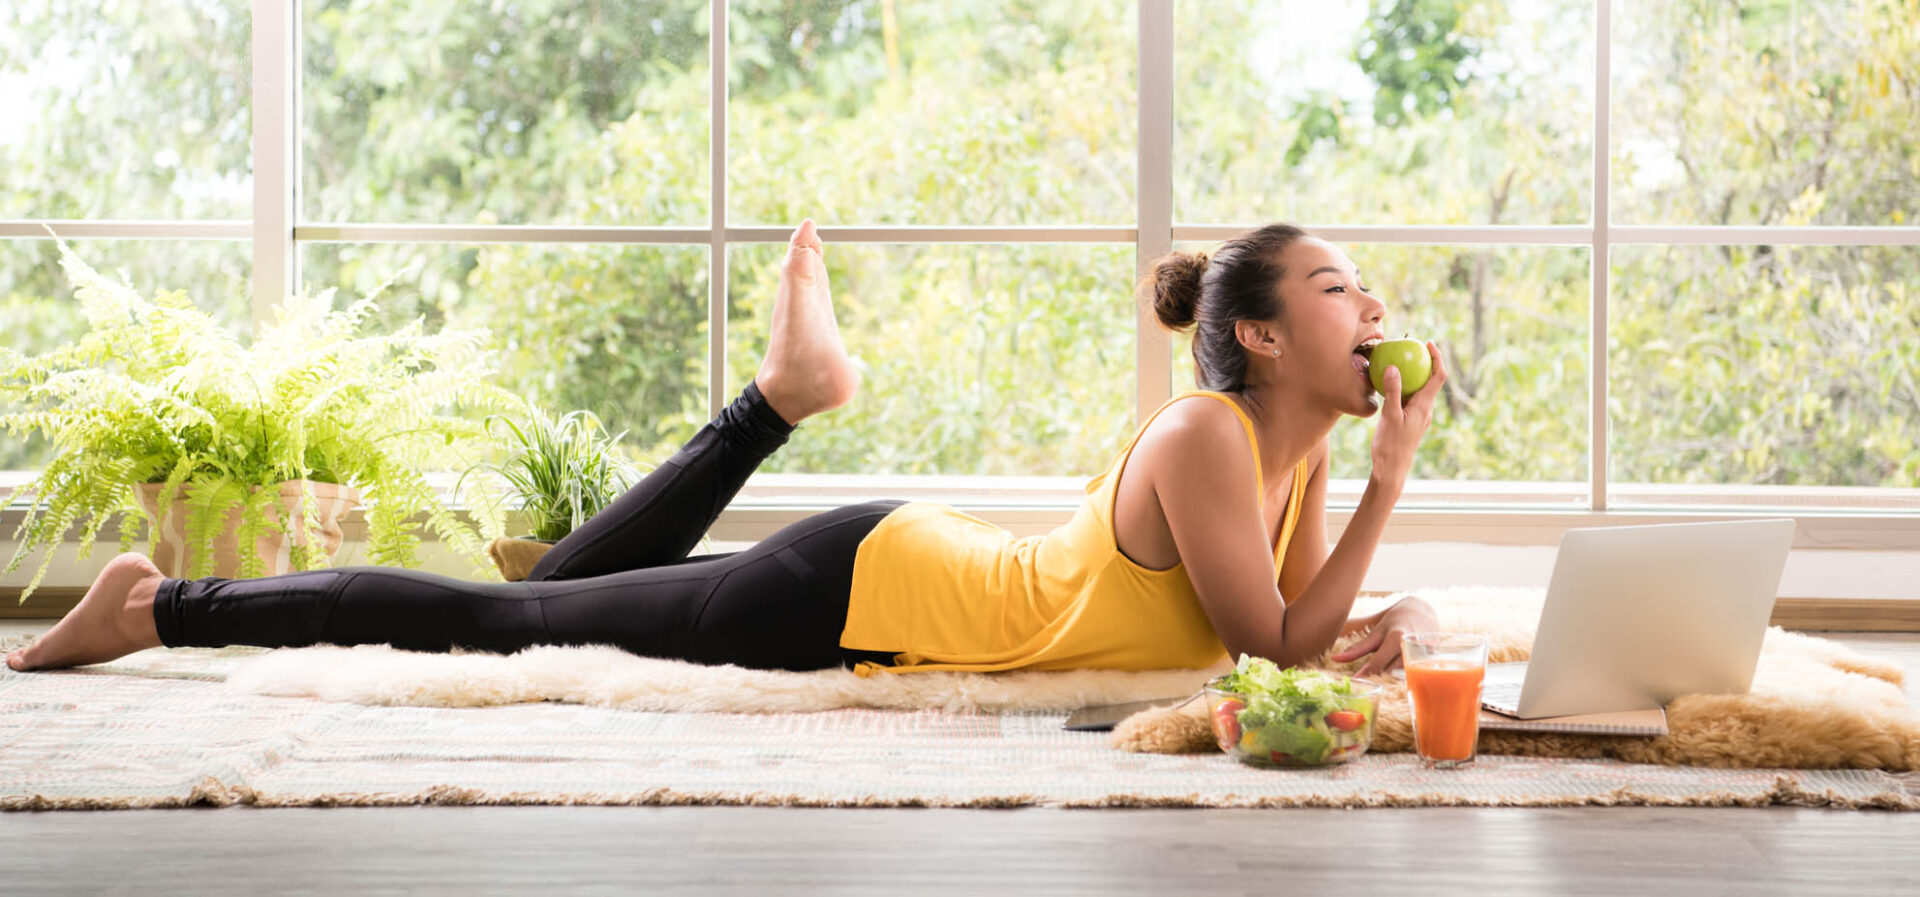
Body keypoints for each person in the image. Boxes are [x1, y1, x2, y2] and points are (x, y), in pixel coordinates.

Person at [5, 219, 1446, 680]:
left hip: (898, 565)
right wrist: (1389, 492)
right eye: (1335, 288)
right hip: (850, 594)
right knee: (497, 624)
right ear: (1255, 337)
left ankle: (778, 396)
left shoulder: (1288, 455)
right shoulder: (1204, 432)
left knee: (546, 597)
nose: (1368, 303)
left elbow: (1297, 636)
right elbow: (1264, 646)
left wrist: (1378, 619)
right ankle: (158, 603)